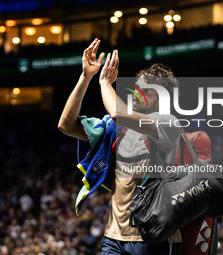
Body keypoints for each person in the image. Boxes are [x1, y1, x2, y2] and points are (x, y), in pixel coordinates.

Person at [58, 38, 181, 254]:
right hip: (113, 237)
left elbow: (118, 114)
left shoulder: (168, 123)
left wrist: (104, 83)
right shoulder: (115, 129)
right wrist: (85, 77)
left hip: (155, 238)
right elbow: (66, 125)